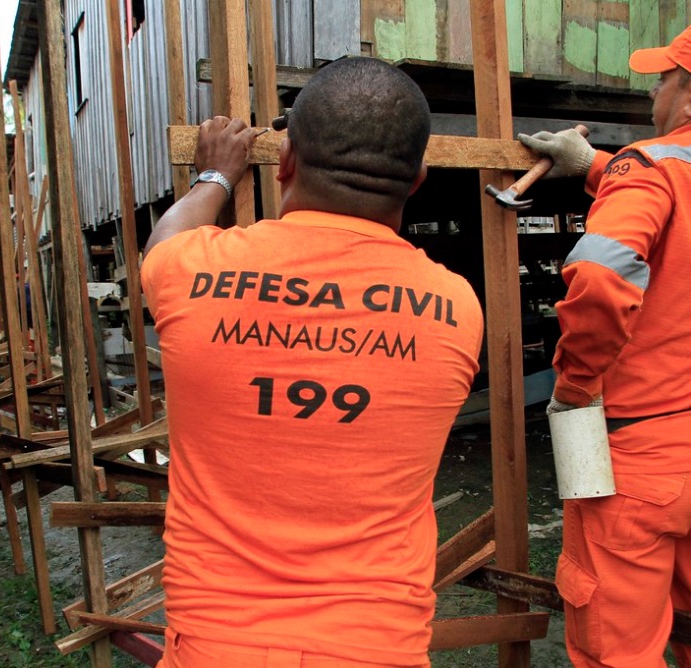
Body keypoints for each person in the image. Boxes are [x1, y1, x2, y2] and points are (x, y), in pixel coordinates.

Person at [141, 57, 484, 668]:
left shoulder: (193, 272)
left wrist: (216, 177)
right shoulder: (457, 309)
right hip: (377, 648)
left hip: (217, 645)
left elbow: (162, 243)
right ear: (417, 179)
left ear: (287, 163)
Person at [518, 10, 691, 668]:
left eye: (665, 81)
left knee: (616, 648)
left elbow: (599, 272)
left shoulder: (652, 166)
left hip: (637, 458)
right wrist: (594, 164)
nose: (654, 94)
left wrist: (575, 387)